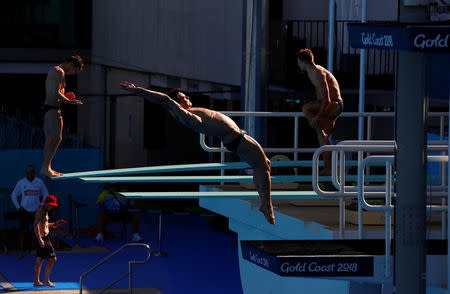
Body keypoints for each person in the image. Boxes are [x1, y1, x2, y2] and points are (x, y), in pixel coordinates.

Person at [119, 82, 275, 225]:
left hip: (238, 137)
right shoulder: (184, 115)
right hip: (236, 140)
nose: (187, 97)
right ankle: (266, 206)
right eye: (182, 97)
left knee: (263, 164)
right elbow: (165, 100)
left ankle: (265, 204)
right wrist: (139, 90)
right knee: (262, 165)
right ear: (177, 103)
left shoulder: (193, 112)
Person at [296, 49, 344, 175]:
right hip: (330, 103)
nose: (298, 65)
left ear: (303, 62)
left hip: (334, 104)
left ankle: (329, 168)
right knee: (322, 137)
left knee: (307, 109)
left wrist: (317, 117)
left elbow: (327, 99)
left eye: (298, 62)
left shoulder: (317, 73)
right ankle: (329, 168)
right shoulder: (313, 71)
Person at [40, 55, 84, 178]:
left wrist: (66, 96)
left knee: (50, 139)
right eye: (74, 70)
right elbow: (55, 93)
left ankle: (47, 167)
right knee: (56, 138)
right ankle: (46, 167)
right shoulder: (59, 72)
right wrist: (70, 102)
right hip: (52, 109)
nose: (73, 73)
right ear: (71, 64)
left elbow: (56, 92)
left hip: (49, 107)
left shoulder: (55, 71)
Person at [11, 165, 49, 258]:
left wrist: (41, 205)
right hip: (24, 211)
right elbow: (13, 195)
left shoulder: (39, 182)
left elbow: (46, 194)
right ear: (26, 173)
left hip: (36, 211)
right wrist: (18, 207)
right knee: (22, 232)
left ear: (34, 172)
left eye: (31, 171)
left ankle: (39, 251)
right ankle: (21, 251)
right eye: (28, 172)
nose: (30, 173)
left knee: (38, 231)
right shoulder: (21, 182)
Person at [33, 195, 64, 287]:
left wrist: (54, 224)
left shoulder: (45, 211)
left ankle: (36, 281)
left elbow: (44, 224)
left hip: (43, 238)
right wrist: (40, 239)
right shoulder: (41, 211)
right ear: (46, 203)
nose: (52, 207)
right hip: (43, 238)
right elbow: (35, 225)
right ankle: (45, 280)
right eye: (51, 205)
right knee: (52, 258)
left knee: (40, 259)